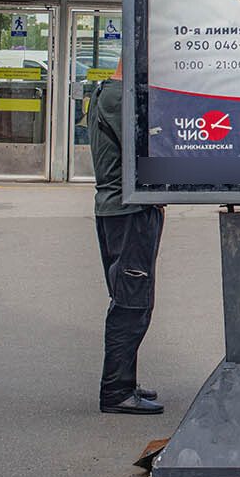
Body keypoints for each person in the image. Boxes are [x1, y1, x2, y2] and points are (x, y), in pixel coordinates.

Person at [87, 59, 165, 415]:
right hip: (128, 212)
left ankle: (124, 382)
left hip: (117, 209)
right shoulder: (122, 98)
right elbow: (147, 148)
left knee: (129, 296)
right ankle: (116, 390)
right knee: (132, 302)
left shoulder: (106, 92)